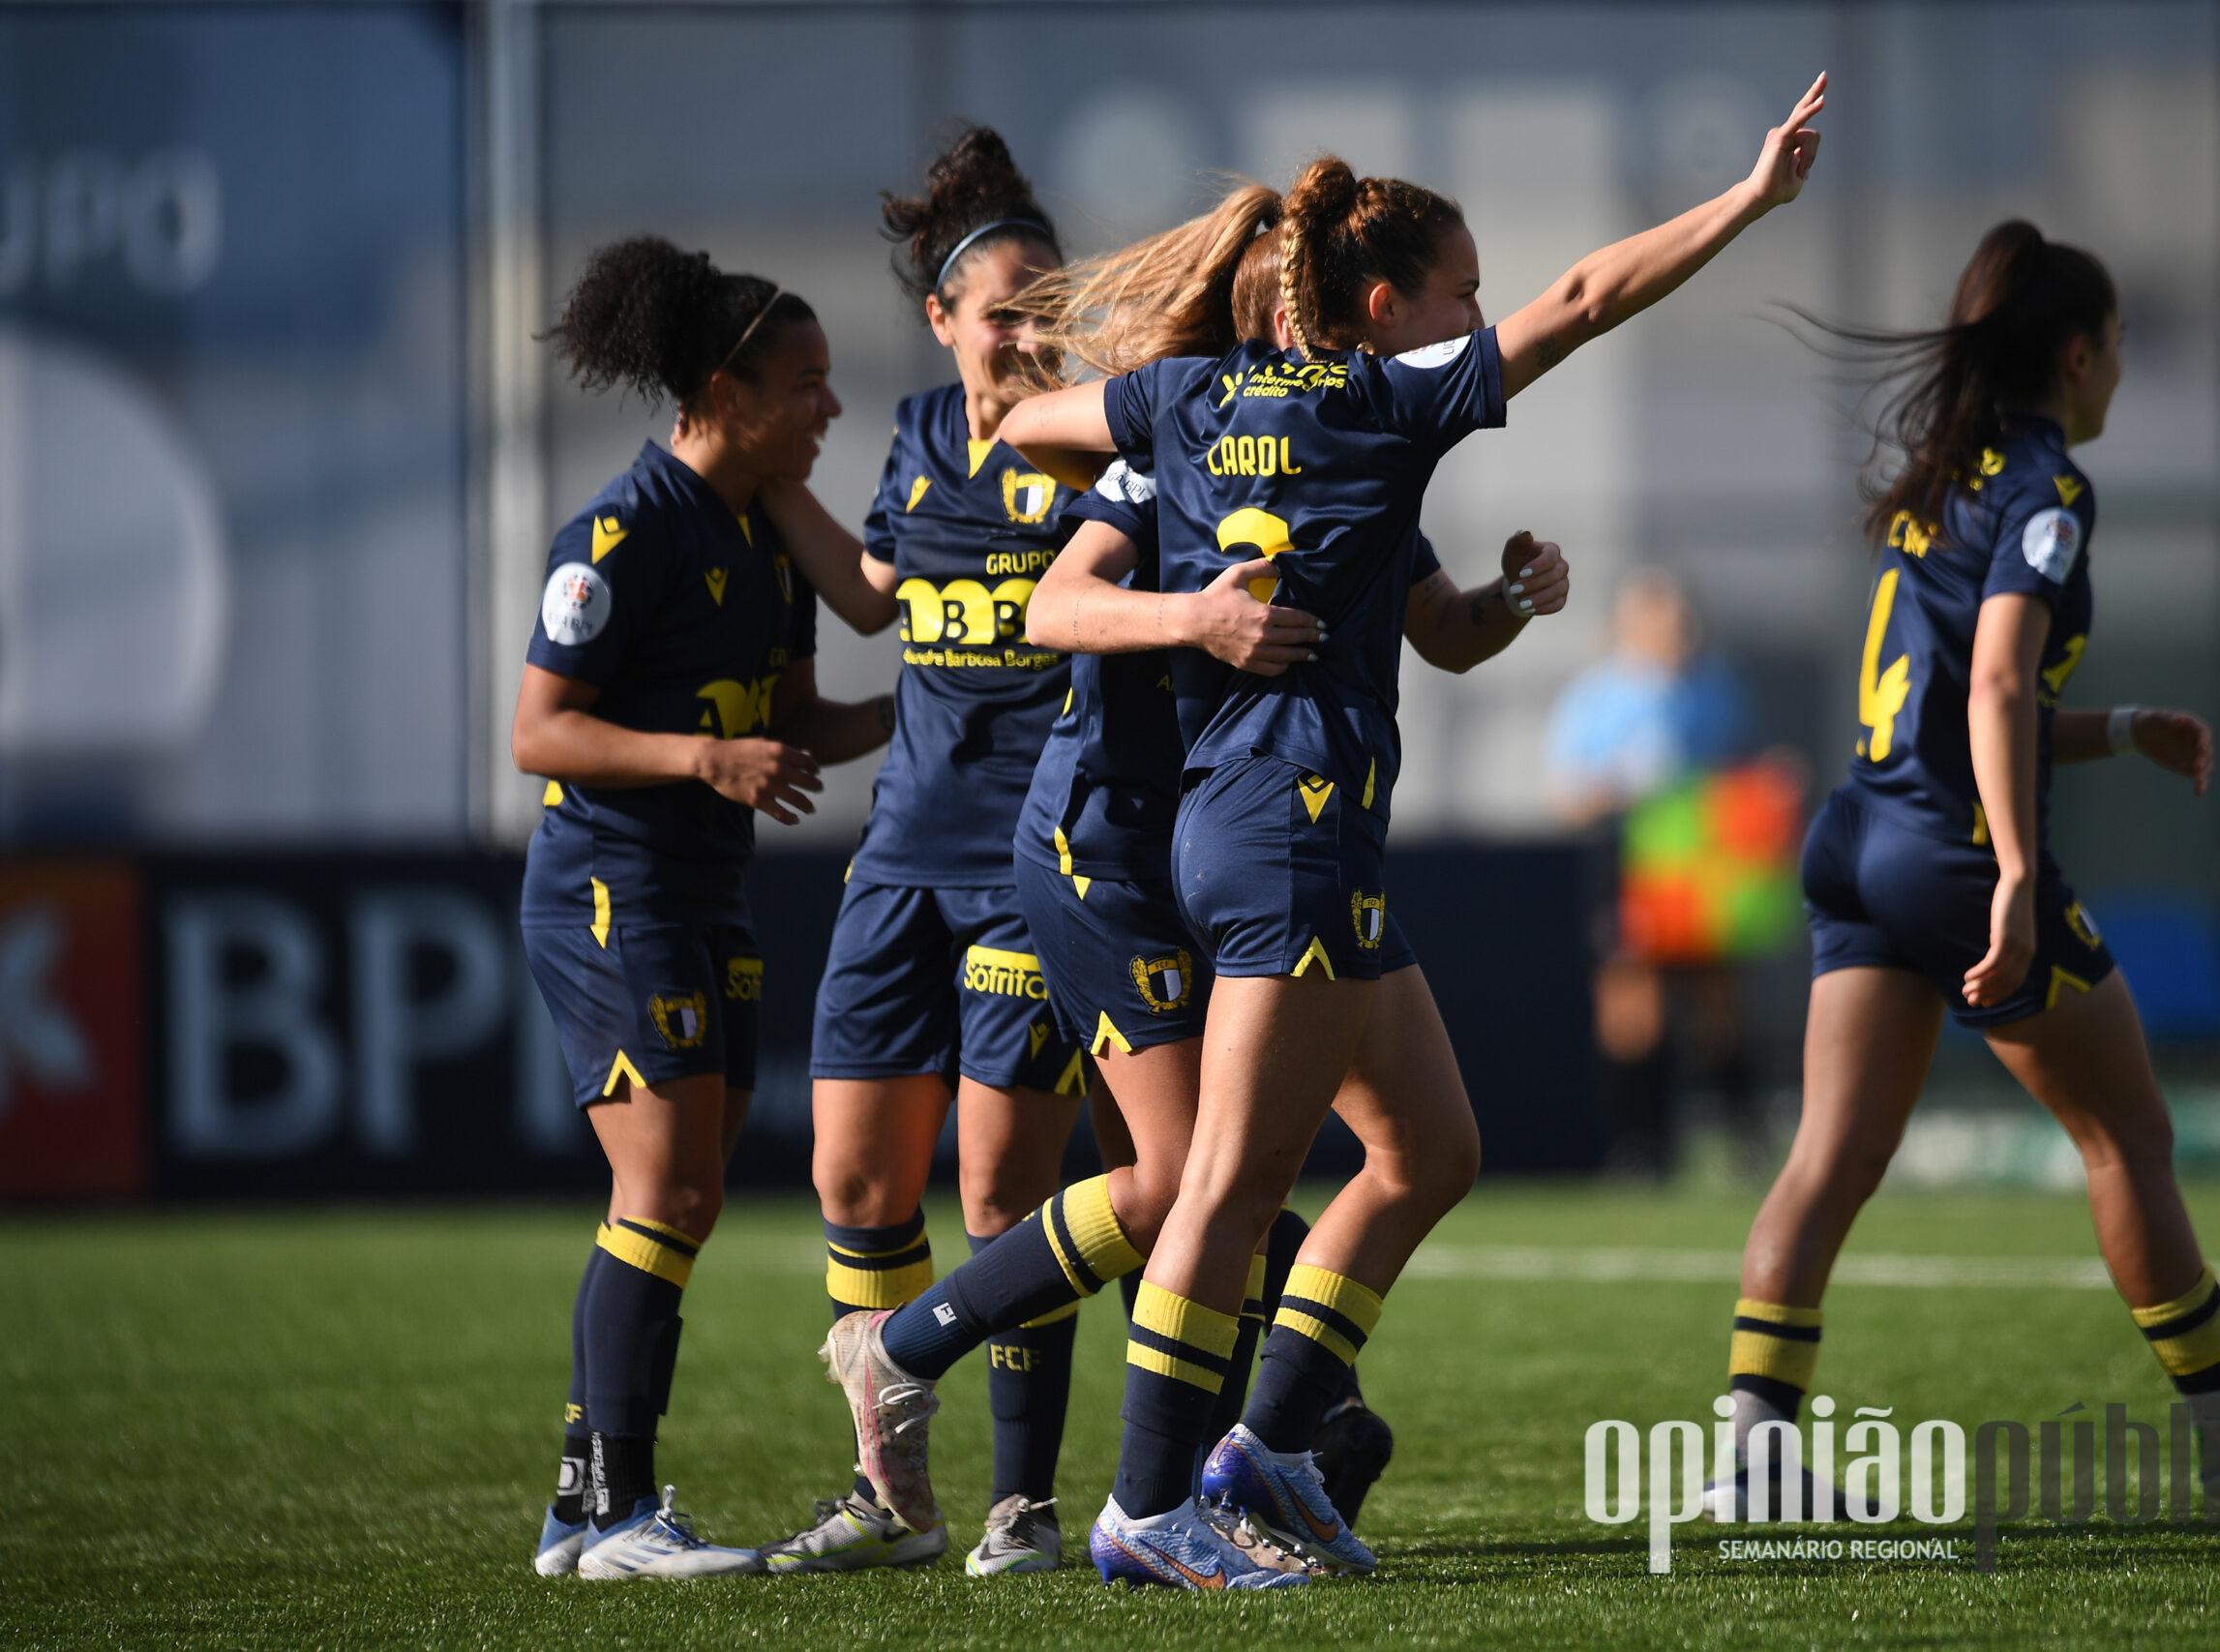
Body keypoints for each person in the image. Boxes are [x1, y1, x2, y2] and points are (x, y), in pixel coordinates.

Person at [964, 74, 1827, 1585]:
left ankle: (1269, 1449)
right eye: (1458, 295)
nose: (1478, 316)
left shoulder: (1183, 402)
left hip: (1280, 832)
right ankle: (1150, 1503)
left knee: (1430, 1146)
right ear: (1378, 305)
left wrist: (1095, 448)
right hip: (1280, 827)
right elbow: (1585, 299)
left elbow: (1027, 424)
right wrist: (1747, 200)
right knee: (1229, 1180)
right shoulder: (1384, 409)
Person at [815, 204, 1565, 1589]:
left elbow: (1437, 625)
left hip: (1236, 842)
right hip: (1113, 849)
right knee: (1186, 1181)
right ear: (1272, 315)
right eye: (1278, 303)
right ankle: (968, 1380)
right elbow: (1056, 604)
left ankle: (1258, 1452)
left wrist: (1510, 601)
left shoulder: (1335, 454)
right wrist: (1195, 615)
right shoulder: (1174, 443)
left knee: (1406, 1150)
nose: (1297, 326)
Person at [1705, 219, 2220, 1518]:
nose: (2124, 369)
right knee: (2127, 1130)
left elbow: (1963, 694)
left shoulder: (1943, 473)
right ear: (2076, 353)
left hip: (1861, 834)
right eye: (2122, 343)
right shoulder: (2044, 489)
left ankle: (1752, 1452)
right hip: (1954, 852)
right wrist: (2019, 871)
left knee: (1831, 1153)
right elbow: (2005, 675)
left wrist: (2121, 729)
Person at [513, 235, 891, 1579]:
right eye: (805, 382)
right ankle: (609, 1512)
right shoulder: (621, 533)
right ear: (722, 387)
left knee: (686, 1193)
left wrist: (943, 708)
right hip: (613, 891)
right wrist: (698, 759)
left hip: (705, 889)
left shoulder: (768, 541)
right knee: (664, 1186)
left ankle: (587, 1502)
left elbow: (795, 724)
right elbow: (539, 733)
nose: (829, 408)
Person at [749, 127, 1097, 1579]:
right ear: (943, 316)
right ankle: (897, 1496)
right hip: (900, 848)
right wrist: (763, 472)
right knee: (852, 1178)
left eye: (1044, 306)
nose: (1022, 329)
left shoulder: (1095, 437)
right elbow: (874, 593)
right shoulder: (911, 431)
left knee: (1003, 1195)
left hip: (1035, 851)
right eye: (999, 306)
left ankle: (1023, 1502)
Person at [1544, 571, 1765, 1179]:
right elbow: (1566, 794)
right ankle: (1639, 1148)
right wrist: (1623, 792)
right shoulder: (1597, 696)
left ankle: (1747, 1140)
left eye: (1682, 618)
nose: (1677, 631)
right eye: (1661, 619)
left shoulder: (1717, 688)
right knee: (1633, 1010)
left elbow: (1745, 771)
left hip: (1704, 863)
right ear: (1631, 625)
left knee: (1720, 1006)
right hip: (1628, 861)